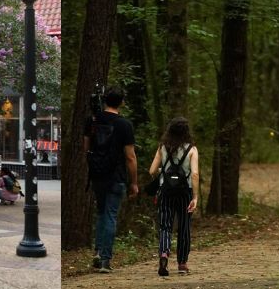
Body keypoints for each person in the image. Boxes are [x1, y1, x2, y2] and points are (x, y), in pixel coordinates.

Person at [84, 86, 139, 273]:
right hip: (116, 176)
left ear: (105, 100)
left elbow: (86, 148)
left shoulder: (92, 121)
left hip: (97, 175)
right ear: (121, 102)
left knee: (101, 213)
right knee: (110, 215)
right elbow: (130, 157)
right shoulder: (124, 125)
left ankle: (98, 252)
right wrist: (134, 182)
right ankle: (106, 260)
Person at [148, 117, 199, 276]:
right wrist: (195, 197)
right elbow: (195, 174)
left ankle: (164, 253)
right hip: (185, 192)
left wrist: (164, 175)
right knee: (184, 227)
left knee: (165, 225)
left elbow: (151, 171)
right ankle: (182, 263)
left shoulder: (163, 147)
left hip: (166, 191)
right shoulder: (192, 149)